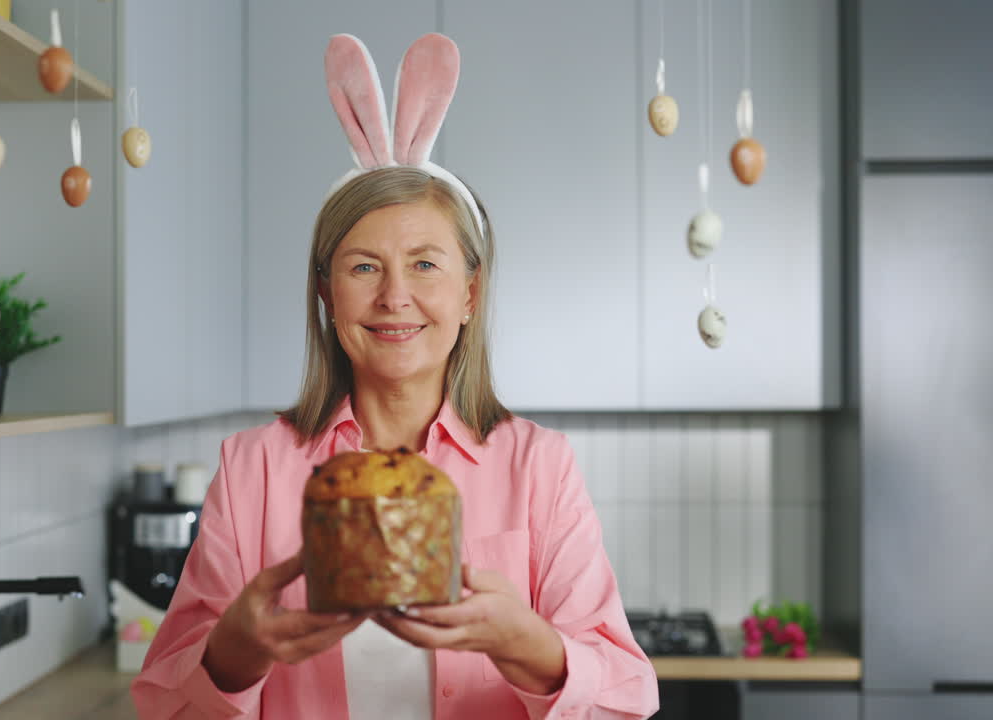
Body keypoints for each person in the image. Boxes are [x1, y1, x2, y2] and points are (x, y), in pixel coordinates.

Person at [131, 32, 658, 720]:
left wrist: (529, 645)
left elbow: (627, 701)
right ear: (326, 292)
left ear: (470, 293)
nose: (394, 297)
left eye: (425, 264)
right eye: (362, 267)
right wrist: (235, 653)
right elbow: (163, 708)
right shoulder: (253, 468)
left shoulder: (539, 467)